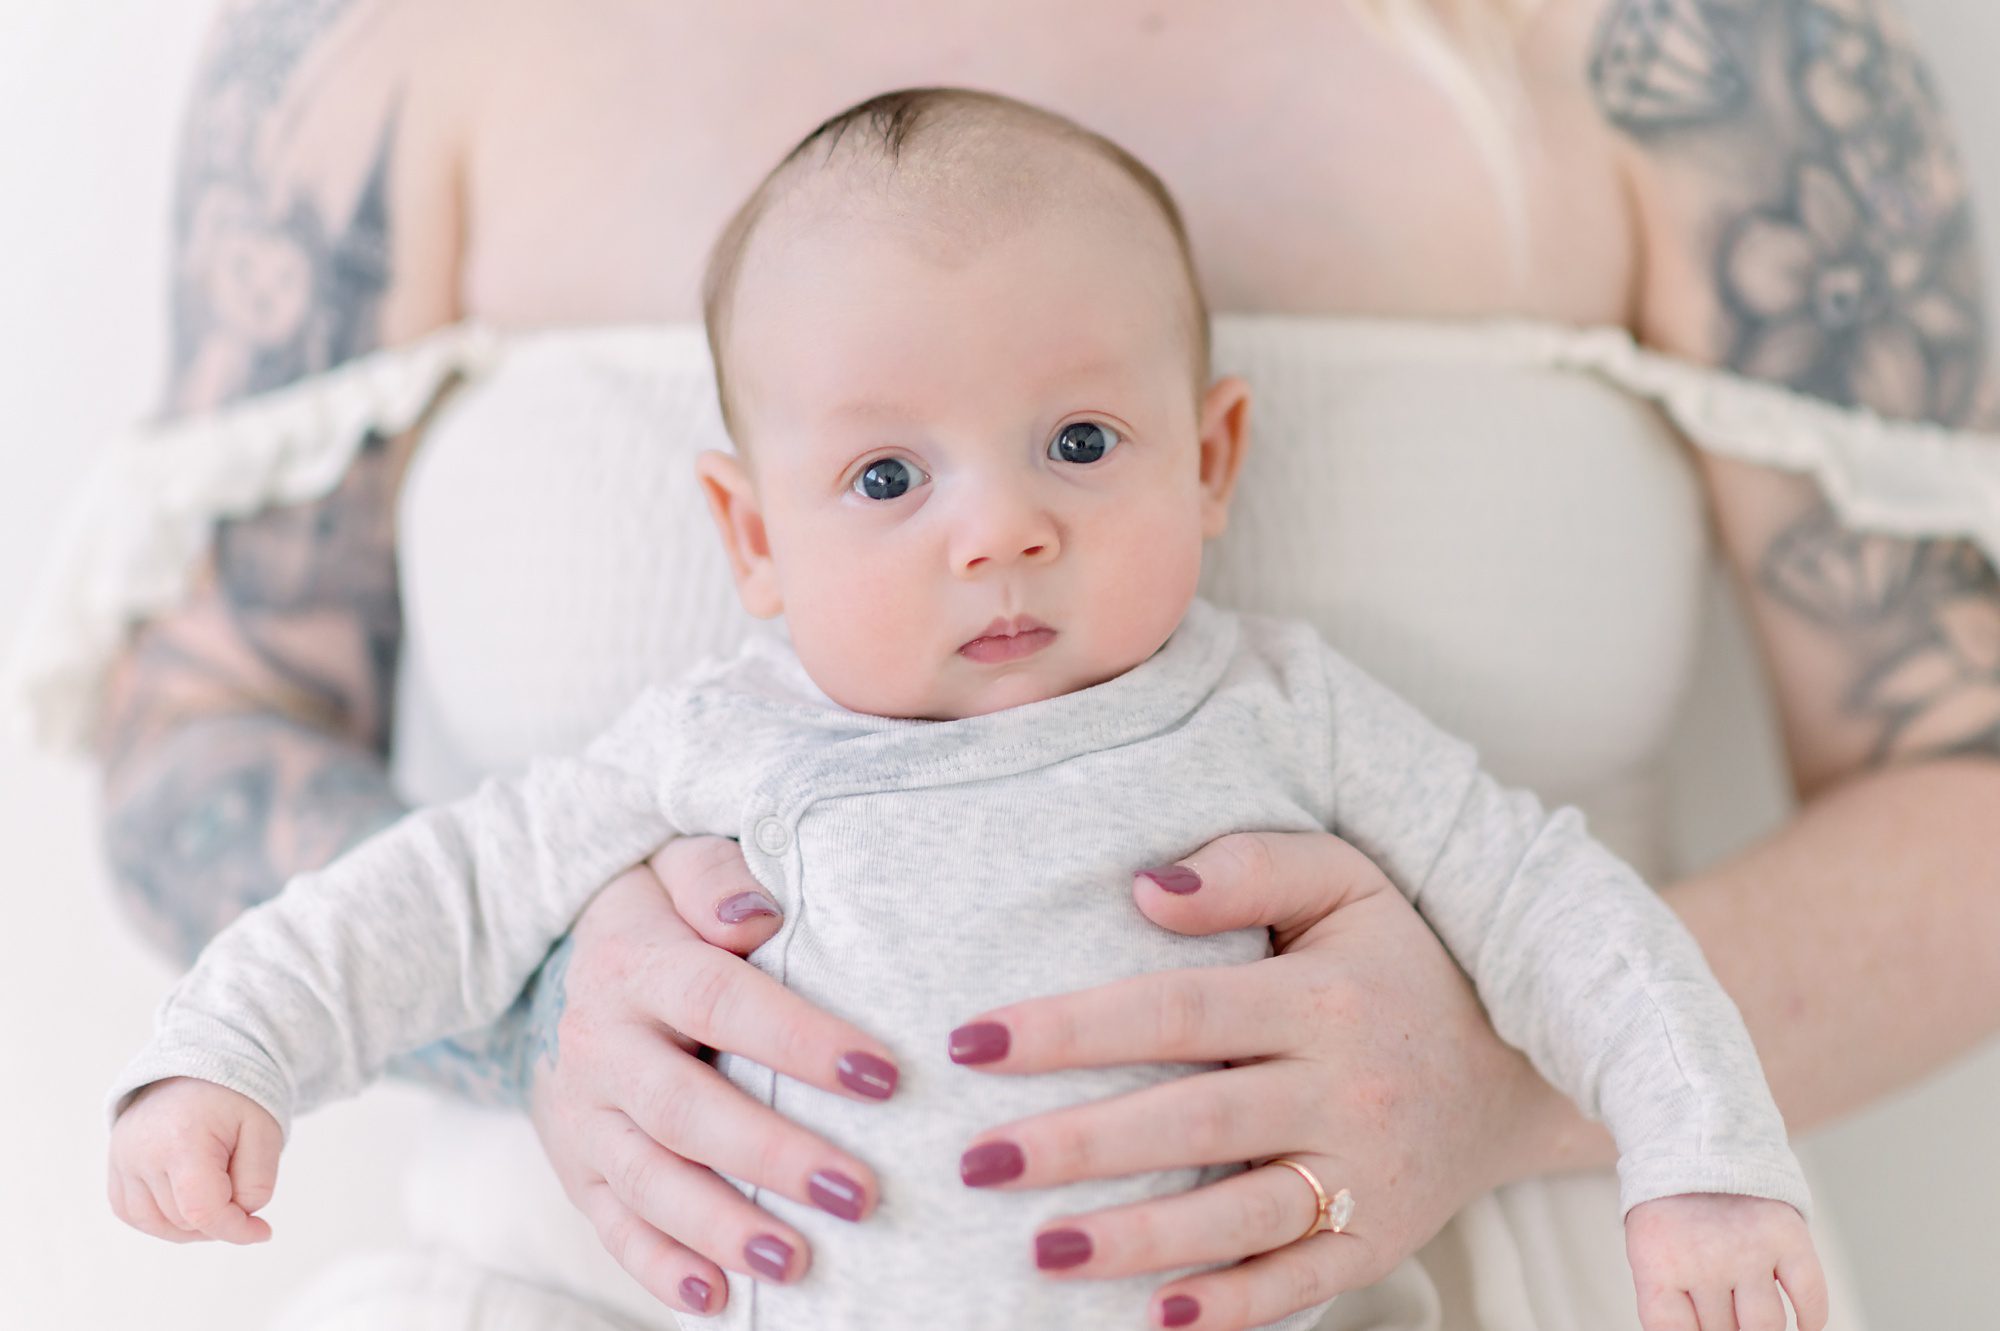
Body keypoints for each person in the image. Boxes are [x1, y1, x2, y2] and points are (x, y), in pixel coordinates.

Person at [20, 1, 2000, 1328]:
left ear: (1204, 457)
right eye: (883, 475)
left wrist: (1542, 1097)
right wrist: (416, 1033)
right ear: (750, 534)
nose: (995, 533)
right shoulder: (382, 57)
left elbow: (1873, 820)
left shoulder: (1701, 51)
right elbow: (280, 788)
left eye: (1078, 446)